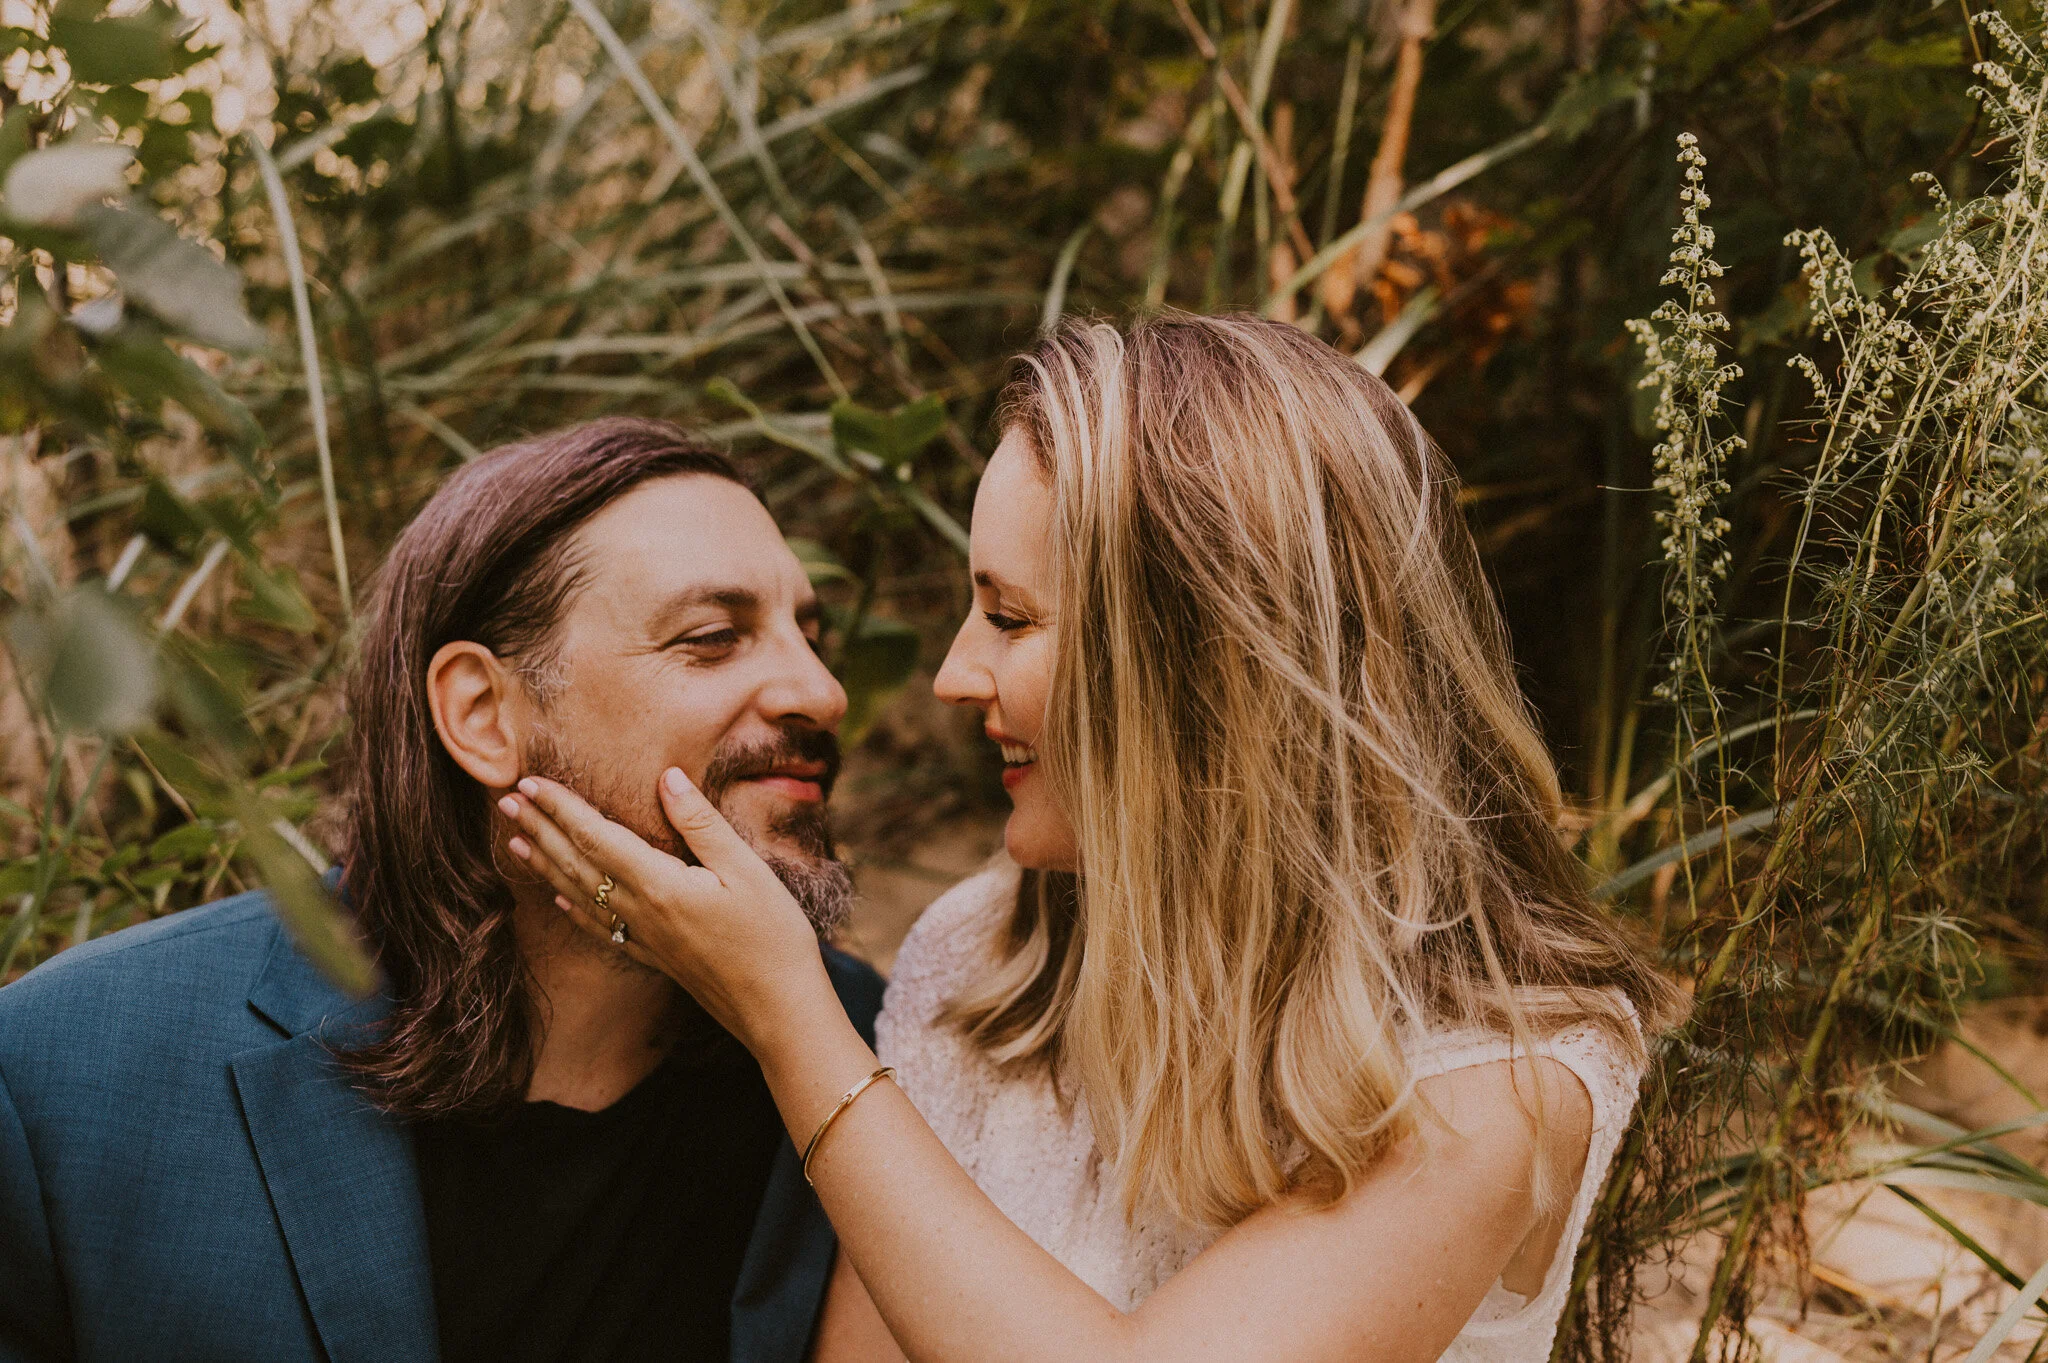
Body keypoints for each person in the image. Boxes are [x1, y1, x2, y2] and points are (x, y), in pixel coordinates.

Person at [503, 315, 1686, 1363]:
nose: (952, 674)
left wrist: (787, 1016)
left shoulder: (1502, 1078)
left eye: (1010, 616)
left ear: (1207, 664)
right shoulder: (977, 959)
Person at [0, 418, 883, 1363]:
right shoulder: (68, 1075)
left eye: (810, 632)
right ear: (481, 714)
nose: (822, 689)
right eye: (713, 638)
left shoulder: (863, 1047)